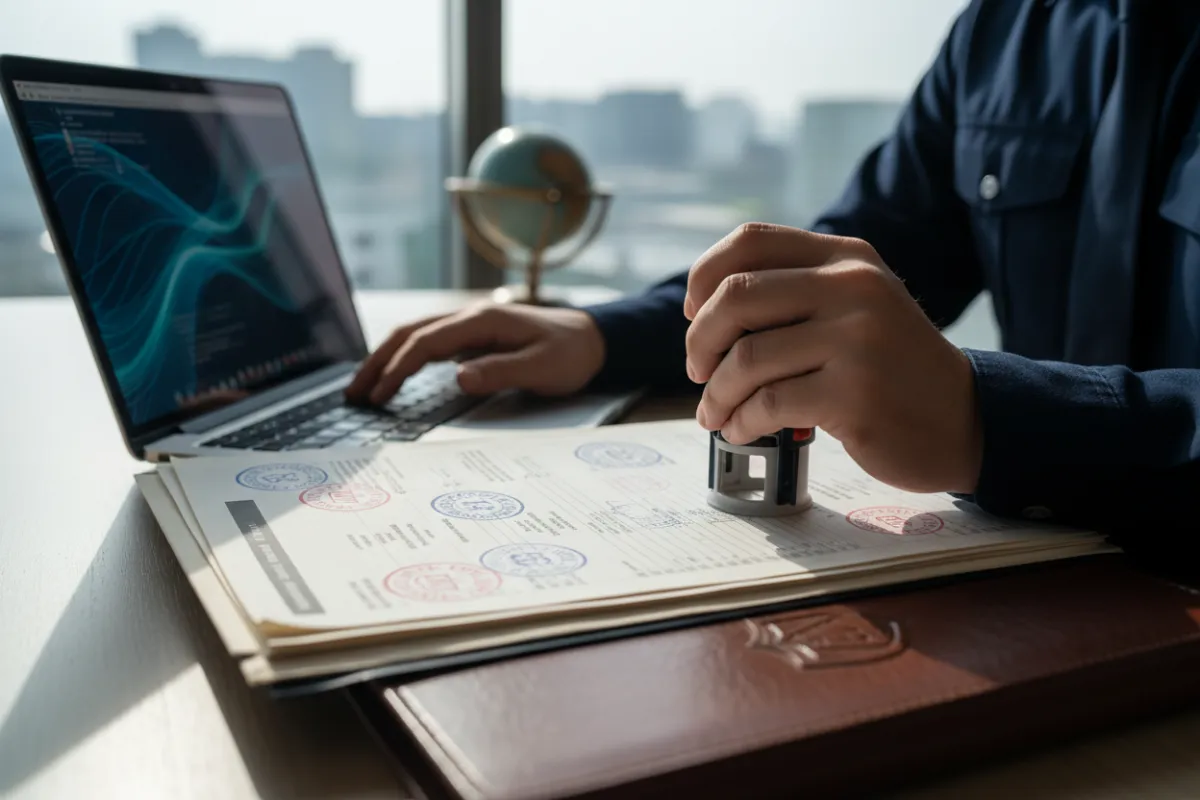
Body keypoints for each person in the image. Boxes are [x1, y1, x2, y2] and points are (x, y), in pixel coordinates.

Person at [346, 0, 1200, 540]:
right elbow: (859, 254)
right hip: (1022, 591)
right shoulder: (1005, 30)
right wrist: (600, 334)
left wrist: (992, 421)